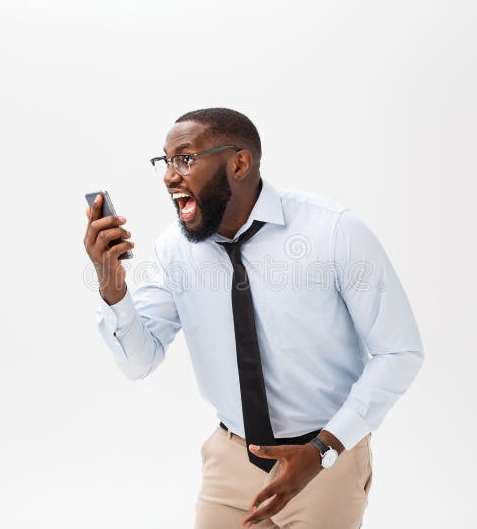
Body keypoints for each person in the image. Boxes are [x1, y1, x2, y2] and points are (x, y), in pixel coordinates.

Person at [83, 108, 424, 528]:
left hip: (326, 462)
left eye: (185, 159)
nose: (170, 176)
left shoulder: (334, 231)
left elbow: (400, 351)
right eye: (165, 161)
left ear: (239, 163)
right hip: (231, 460)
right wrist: (111, 287)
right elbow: (138, 362)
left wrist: (324, 450)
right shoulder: (174, 249)